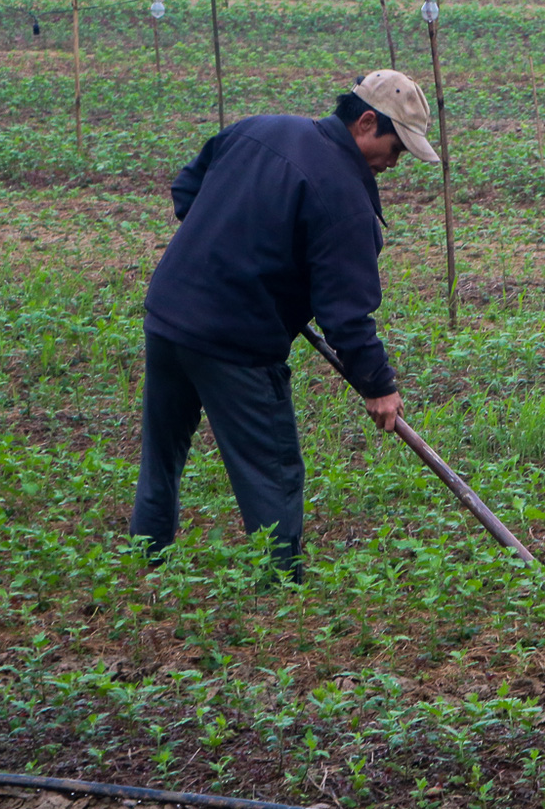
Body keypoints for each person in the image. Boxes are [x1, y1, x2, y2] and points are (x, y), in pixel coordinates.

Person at [130, 71, 440, 579]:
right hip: (235, 342)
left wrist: (229, 247)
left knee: (162, 454)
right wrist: (379, 386)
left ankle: (143, 558)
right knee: (271, 470)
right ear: (366, 122)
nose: (393, 163)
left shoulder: (260, 127)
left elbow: (188, 188)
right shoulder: (345, 199)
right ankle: (279, 589)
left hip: (168, 314)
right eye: (396, 148)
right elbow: (346, 315)